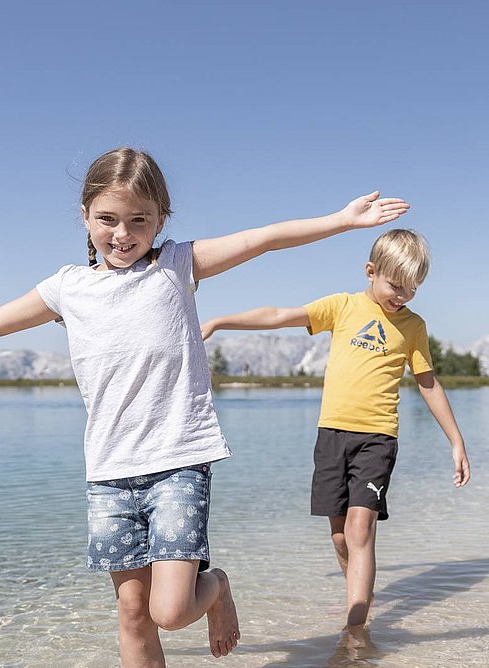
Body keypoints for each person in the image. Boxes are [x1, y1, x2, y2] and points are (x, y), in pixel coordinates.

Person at [0, 147, 410, 668]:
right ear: (84, 217)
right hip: (108, 474)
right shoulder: (67, 288)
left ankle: (217, 587)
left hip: (179, 460)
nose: (122, 234)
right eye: (108, 219)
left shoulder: (178, 266)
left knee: (172, 609)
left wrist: (341, 221)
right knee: (133, 610)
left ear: (160, 220)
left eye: (139, 221)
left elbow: (262, 238)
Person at [201, 229, 470, 627]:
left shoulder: (413, 326)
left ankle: (356, 628)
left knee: (361, 527)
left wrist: (456, 441)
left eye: (412, 289)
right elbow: (279, 315)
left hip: (378, 438)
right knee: (341, 536)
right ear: (370, 271)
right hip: (331, 436)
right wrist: (222, 321)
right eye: (396, 286)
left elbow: (427, 382)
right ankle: (358, 599)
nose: (402, 296)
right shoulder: (341, 307)